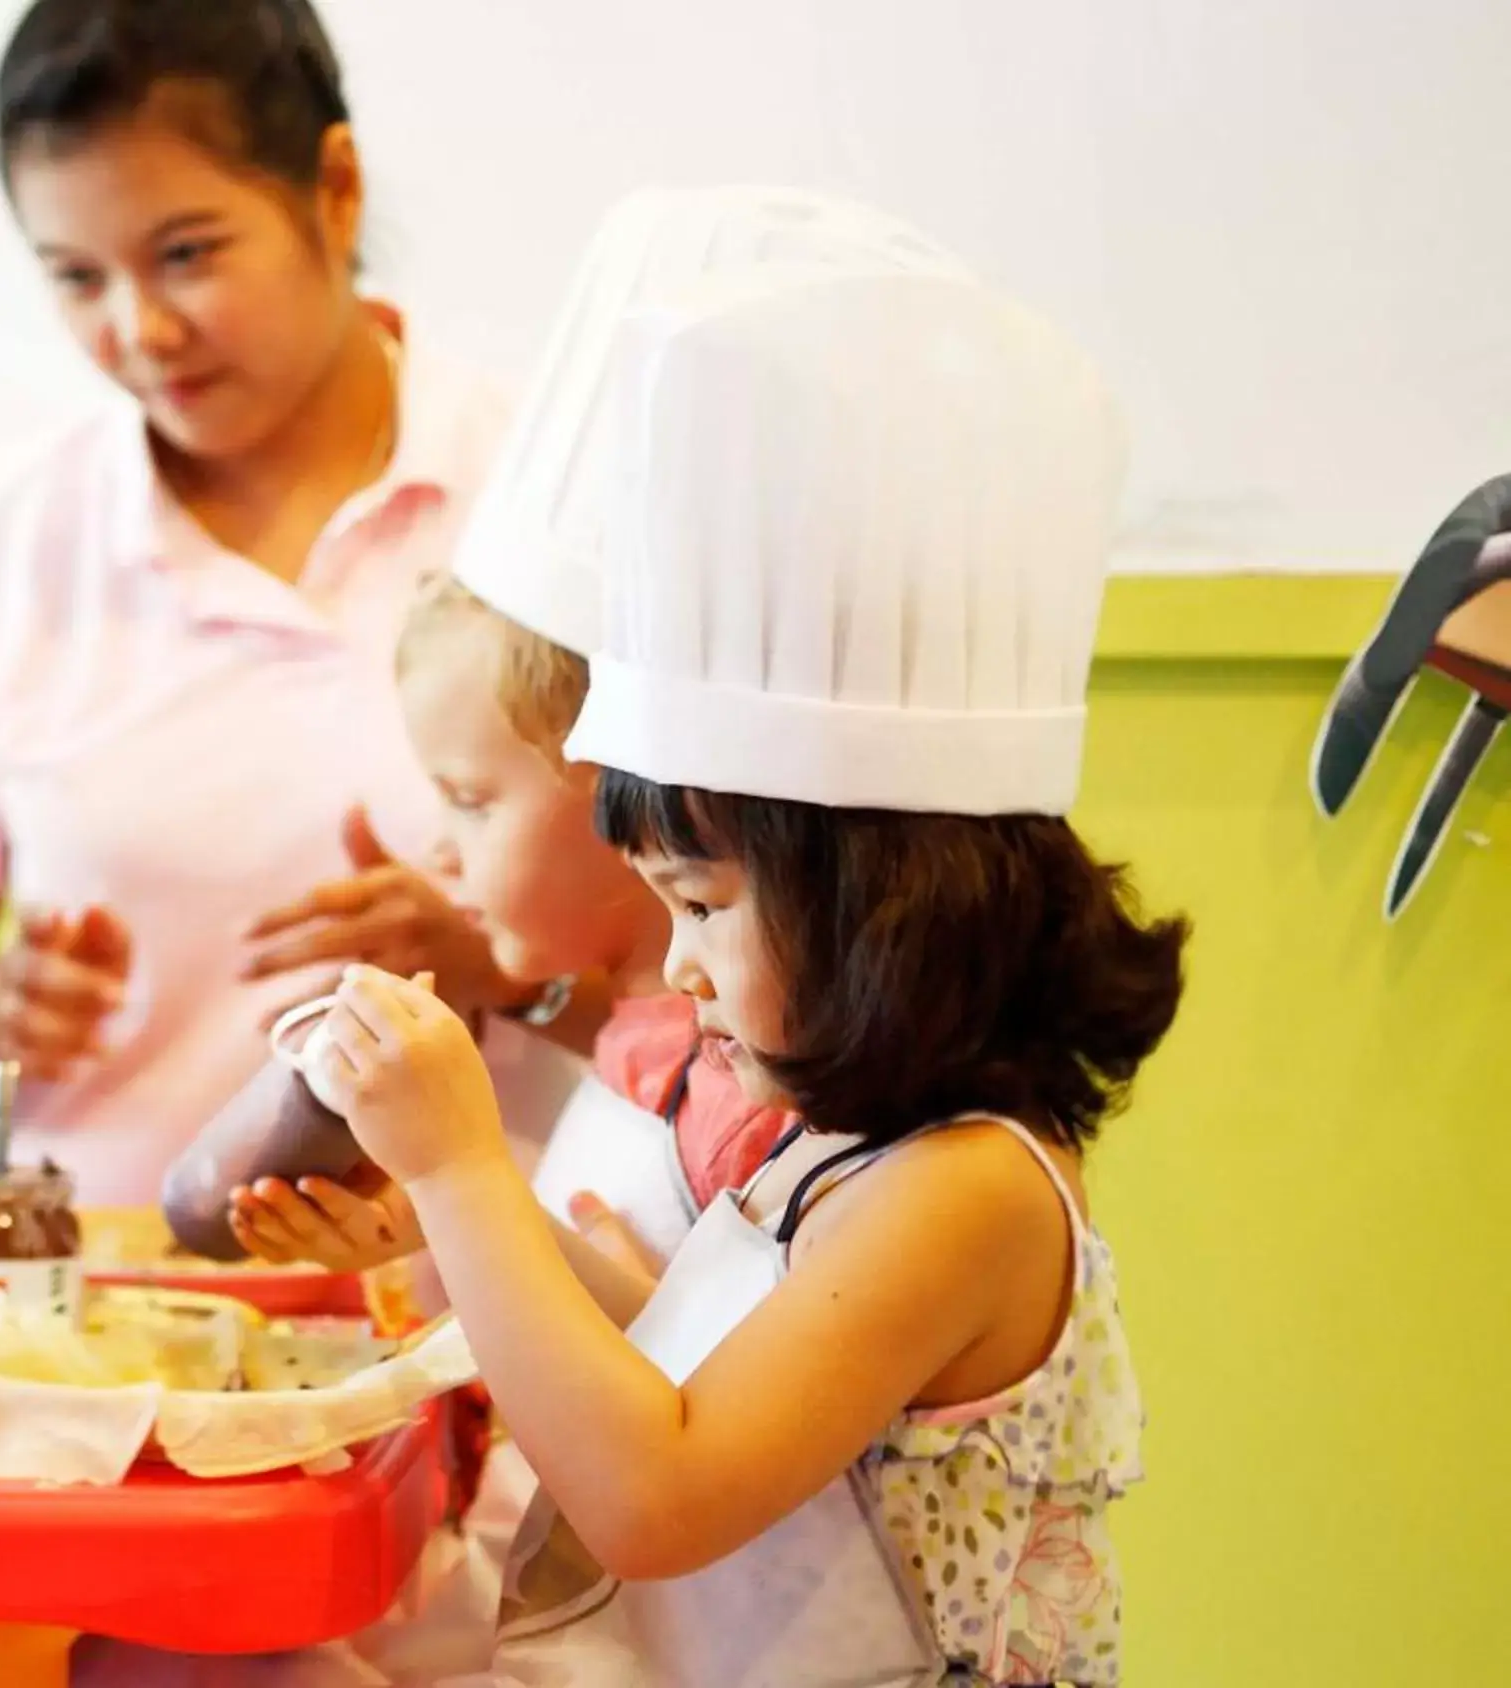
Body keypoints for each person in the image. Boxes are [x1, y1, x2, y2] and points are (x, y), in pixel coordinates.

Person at [311, 265, 1170, 1684]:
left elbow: (659, 1493)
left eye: (702, 904)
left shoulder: (967, 1192)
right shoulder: (838, 1144)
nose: (673, 964)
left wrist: (468, 1169)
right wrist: (443, 1221)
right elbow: (671, 1338)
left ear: (878, 901)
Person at [0, 0, 532, 1207]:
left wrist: (499, 962)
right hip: (106, 1308)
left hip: (503, 1317)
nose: (139, 331)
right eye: (76, 278)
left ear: (335, 189)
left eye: (188, 253)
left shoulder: (543, 491)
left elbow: (725, 963)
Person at [228, 187, 974, 1279]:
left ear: (627, 796)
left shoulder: (749, 1097)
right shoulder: (642, 1047)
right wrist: (425, 1236)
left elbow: (686, 1387)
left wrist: (456, 1190)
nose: (441, 848)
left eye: (474, 799)